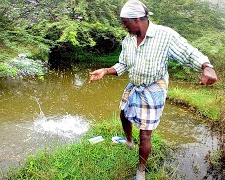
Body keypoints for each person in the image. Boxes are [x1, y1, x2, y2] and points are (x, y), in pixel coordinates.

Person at [89, 0, 217, 179]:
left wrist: (206, 66)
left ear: (137, 19)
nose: (123, 26)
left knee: (145, 133)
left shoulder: (165, 35)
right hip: (134, 84)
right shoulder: (129, 40)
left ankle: (141, 171)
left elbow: (188, 52)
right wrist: (105, 71)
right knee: (123, 114)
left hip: (154, 88)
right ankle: (128, 141)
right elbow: (123, 64)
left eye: (125, 22)